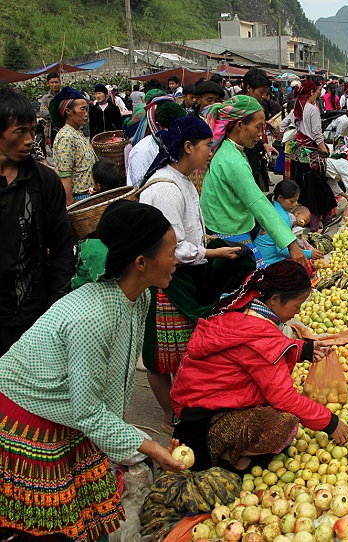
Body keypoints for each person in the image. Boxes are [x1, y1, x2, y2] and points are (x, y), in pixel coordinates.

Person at [0, 199, 187, 540]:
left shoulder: (141, 297)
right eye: (171, 251)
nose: (177, 260)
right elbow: (88, 411)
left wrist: (129, 441)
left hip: (75, 413)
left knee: (92, 510)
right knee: (56, 525)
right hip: (31, 414)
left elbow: (110, 386)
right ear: (141, 262)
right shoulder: (91, 315)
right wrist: (150, 448)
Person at [170, 260, 348, 471]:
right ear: (275, 299)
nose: (298, 312)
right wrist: (330, 422)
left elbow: (253, 352)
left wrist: (301, 350)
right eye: (296, 306)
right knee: (285, 424)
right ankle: (222, 452)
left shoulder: (244, 305)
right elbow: (284, 397)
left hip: (196, 401)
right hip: (205, 418)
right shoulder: (260, 335)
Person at [139, 116, 245, 433]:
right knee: (160, 357)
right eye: (206, 146)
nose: (211, 152)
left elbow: (188, 233)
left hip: (183, 276)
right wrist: (213, 252)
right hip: (167, 282)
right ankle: (173, 416)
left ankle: (187, 407)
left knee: (185, 352)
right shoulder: (166, 189)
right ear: (188, 147)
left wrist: (208, 242)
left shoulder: (184, 181)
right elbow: (173, 246)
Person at [0, 87, 74, 356]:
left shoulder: (44, 181)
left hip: (31, 311)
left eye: (32, 131)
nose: (29, 140)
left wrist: (55, 305)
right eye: (20, 132)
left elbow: (63, 247)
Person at [201, 95, 307, 268]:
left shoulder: (227, 150)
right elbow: (259, 204)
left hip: (223, 231)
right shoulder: (233, 161)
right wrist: (291, 244)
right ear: (240, 125)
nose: (260, 134)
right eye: (258, 127)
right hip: (231, 238)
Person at [287, 80, 337, 231]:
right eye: (318, 90)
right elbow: (317, 134)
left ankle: (309, 223)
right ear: (311, 92)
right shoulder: (312, 109)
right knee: (319, 192)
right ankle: (319, 224)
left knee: (306, 190)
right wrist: (325, 152)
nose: (320, 93)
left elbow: (283, 125)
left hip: (298, 155)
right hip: (311, 156)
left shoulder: (297, 106)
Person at [254, 181, 323, 267]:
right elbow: (281, 250)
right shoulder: (283, 217)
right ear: (280, 198)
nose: (295, 205)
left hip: (258, 257)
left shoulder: (270, 206)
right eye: (292, 201)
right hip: (269, 262)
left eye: (296, 201)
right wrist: (309, 254)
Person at [50, 87, 98, 205]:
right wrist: (70, 203)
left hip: (89, 196)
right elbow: (64, 175)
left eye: (87, 110)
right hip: (79, 200)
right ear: (68, 111)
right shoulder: (66, 137)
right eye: (82, 109)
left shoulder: (77, 133)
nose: (86, 114)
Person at [126, 96, 186, 187]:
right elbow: (139, 186)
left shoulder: (179, 144)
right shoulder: (143, 150)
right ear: (157, 125)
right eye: (169, 129)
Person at [241, 68, 279, 191]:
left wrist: (262, 144)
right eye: (261, 92)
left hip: (255, 158)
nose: (263, 96)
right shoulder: (237, 108)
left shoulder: (259, 106)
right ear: (248, 88)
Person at [39, 72, 61, 148]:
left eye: (56, 82)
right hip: (51, 129)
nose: (54, 85)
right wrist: (59, 112)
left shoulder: (65, 95)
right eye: (52, 82)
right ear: (48, 84)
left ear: (60, 83)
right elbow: (43, 113)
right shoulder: (45, 98)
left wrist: (50, 111)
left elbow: (68, 112)